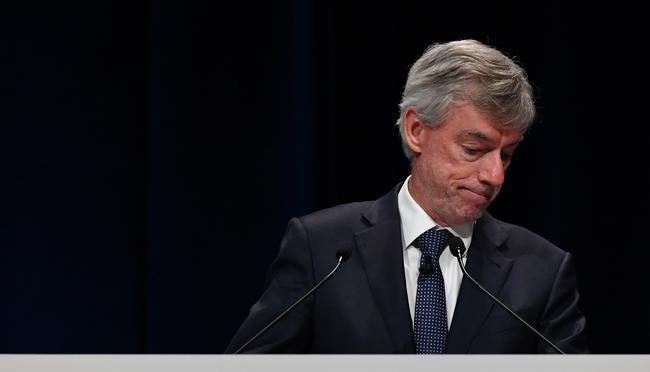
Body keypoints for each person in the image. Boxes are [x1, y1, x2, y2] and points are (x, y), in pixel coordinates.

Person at [226, 39, 587, 354]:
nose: (494, 175)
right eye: (474, 149)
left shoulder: (542, 271)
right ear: (417, 130)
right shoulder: (323, 250)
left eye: (506, 155)